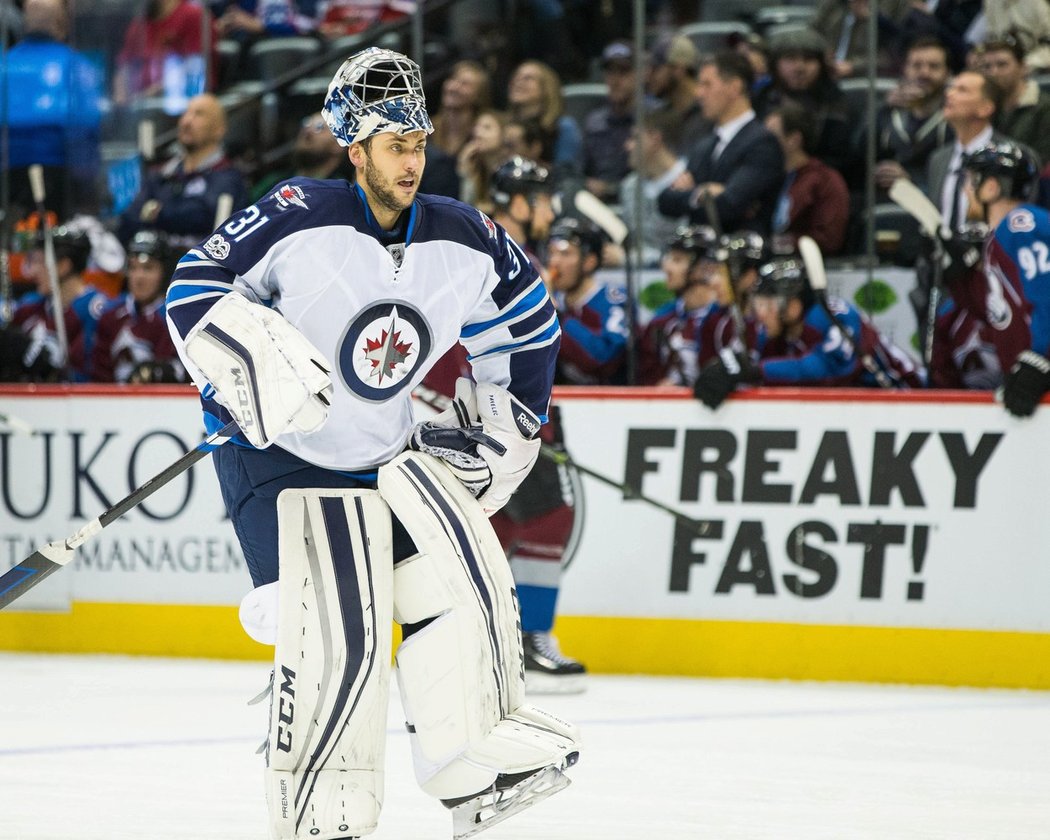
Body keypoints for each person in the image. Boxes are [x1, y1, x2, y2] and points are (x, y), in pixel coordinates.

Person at [164, 47, 579, 840]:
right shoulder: (295, 212)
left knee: (451, 586)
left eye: (419, 142)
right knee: (330, 629)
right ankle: (324, 806)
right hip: (274, 456)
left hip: (384, 457)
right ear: (355, 150)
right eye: (396, 145)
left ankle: (469, 762)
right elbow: (194, 288)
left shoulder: (465, 236)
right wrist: (255, 364)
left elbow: (528, 325)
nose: (412, 160)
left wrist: (507, 431)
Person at [693, 254, 920, 408]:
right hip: (856, 411)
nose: (760, 314)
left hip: (908, 399)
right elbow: (757, 370)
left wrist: (753, 370)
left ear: (793, 307)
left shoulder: (834, 316)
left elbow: (828, 370)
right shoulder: (772, 332)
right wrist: (730, 371)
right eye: (758, 304)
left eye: (767, 305)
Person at [934, 141, 1050, 414]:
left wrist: (1040, 357)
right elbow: (999, 315)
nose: (966, 190)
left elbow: (1047, 293)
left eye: (972, 181)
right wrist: (960, 280)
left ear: (991, 188)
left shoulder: (1021, 224)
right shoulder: (997, 242)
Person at [658, 50, 785, 237]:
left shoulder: (762, 143)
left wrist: (691, 193)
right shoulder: (704, 145)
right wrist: (701, 194)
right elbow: (665, 201)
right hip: (702, 256)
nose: (698, 93)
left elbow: (729, 204)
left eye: (707, 84)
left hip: (742, 256)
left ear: (734, 87)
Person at [4, 0, 104, 218]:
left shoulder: (5, 64)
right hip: (60, 178)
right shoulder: (77, 66)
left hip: (8, 177)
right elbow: (89, 128)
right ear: (61, 23)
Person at [120, 93, 250, 249]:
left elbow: (203, 216)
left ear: (219, 129)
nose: (187, 121)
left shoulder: (229, 178)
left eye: (199, 114)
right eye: (186, 113)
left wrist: (157, 214)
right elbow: (130, 218)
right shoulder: (162, 174)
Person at [13, 222, 110, 382]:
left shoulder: (94, 309)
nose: (33, 272)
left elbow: (90, 376)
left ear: (63, 266)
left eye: (39, 262)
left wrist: (50, 369)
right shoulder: (31, 305)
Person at [92, 230, 185, 383]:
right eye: (133, 268)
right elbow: (98, 375)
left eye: (148, 268)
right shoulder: (110, 315)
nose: (138, 277)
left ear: (164, 272)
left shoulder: (174, 317)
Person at [546, 216, 628, 384]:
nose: (554, 262)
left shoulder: (612, 300)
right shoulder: (553, 302)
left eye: (565, 253)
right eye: (551, 253)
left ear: (589, 262)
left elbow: (605, 359)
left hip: (607, 404)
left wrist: (556, 315)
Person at [765, 103, 850, 256]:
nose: (762, 145)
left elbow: (829, 239)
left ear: (794, 140)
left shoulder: (825, 180)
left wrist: (778, 244)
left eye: (770, 137)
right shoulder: (770, 179)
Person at [872, 36, 953, 194]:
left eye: (934, 66)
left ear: (947, 73)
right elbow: (859, 154)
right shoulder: (887, 112)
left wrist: (912, 180)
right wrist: (883, 109)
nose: (924, 73)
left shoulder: (955, 117)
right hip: (884, 197)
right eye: (916, 66)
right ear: (905, 69)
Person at [619, 108, 689, 267]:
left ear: (654, 139)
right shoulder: (629, 186)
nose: (628, 146)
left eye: (635, 138)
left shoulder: (689, 181)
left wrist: (626, 258)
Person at [115, 0, 216, 104]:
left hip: (180, 106)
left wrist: (143, 98)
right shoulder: (140, 23)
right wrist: (121, 102)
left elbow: (194, 72)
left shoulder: (194, 16)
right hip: (138, 107)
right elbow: (124, 67)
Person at [581, 40, 644, 204]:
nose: (615, 80)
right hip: (597, 206)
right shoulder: (594, 121)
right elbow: (581, 170)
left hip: (639, 205)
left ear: (639, 74)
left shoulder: (651, 119)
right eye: (610, 72)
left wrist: (610, 188)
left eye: (623, 72)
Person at [975, 36, 1050, 167]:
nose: (994, 72)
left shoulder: (1044, 107)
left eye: (1002, 64)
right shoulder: (981, 108)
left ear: (1023, 67)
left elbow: (1041, 161)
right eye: (987, 66)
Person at [250, 111, 356, 202]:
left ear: (338, 145)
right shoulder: (274, 180)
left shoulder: (341, 192)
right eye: (306, 123)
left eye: (319, 127)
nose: (307, 131)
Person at [506, 60, 583, 175]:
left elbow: (566, 174)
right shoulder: (504, 124)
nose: (517, 82)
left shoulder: (563, 127)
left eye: (528, 78)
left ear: (546, 88)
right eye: (516, 77)